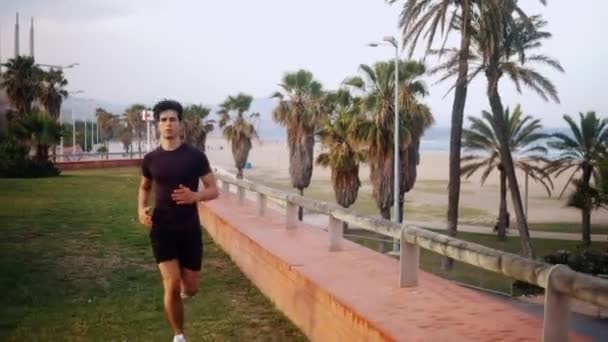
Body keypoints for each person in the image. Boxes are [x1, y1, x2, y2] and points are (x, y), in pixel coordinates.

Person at [138, 99, 219, 342]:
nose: (168, 124)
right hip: (162, 228)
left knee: (190, 288)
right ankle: (179, 335)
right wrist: (141, 210)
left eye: (173, 119)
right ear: (157, 125)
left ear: (180, 124)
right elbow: (144, 187)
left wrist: (196, 196)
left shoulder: (196, 157)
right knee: (171, 283)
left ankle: (184, 292)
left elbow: (213, 189)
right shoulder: (151, 159)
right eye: (163, 120)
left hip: (189, 229)